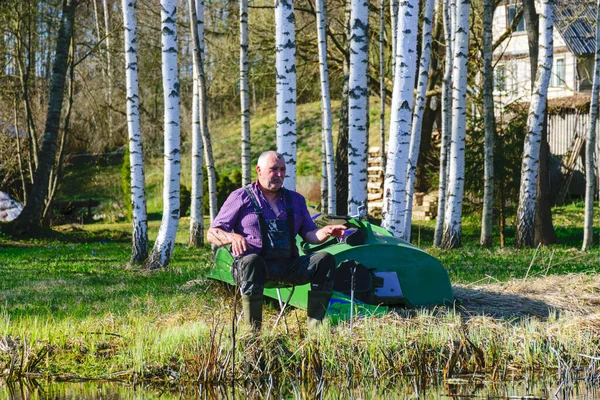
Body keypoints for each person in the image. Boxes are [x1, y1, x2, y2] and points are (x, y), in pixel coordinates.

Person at [207, 151, 346, 330]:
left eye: (282, 169)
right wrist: (232, 236)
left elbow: (310, 234)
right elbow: (212, 232)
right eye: (273, 169)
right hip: (252, 269)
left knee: (324, 259)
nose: (279, 174)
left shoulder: (296, 200)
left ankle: (316, 330)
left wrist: (326, 232)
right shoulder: (240, 197)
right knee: (252, 261)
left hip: (289, 266)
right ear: (259, 170)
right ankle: (253, 334)